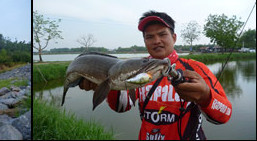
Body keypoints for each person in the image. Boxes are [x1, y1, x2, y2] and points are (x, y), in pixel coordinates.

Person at [76, 11, 232, 140]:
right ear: (144, 41)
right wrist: (107, 83)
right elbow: (122, 106)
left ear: (174, 37)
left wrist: (205, 96)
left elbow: (224, 115)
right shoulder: (135, 68)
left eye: (162, 34)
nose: (156, 41)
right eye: (149, 37)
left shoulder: (196, 68)